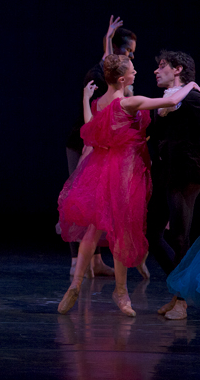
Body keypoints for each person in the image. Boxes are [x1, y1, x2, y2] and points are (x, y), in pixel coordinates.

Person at [58, 54, 200, 317]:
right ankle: (122, 292)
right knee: (123, 230)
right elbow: (168, 103)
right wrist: (190, 86)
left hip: (109, 168)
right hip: (125, 170)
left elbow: (90, 126)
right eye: (133, 70)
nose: (142, 72)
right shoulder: (130, 102)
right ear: (122, 78)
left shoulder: (101, 102)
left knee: (97, 229)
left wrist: (85, 99)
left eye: (160, 66)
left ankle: (78, 284)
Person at [64, 16, 140, 278]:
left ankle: (94, 262)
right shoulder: (100, 75)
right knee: (80, 201)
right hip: (84, 145)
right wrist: (107, 40)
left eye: (132, 53)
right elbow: (95, 122)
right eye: (127, 51)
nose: (131, 58)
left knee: (99, 207)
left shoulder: (122, 84)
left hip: (102, 149)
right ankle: (77, 262)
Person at [146, 50, 200, 320]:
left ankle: (181, 301)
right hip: (165, 173)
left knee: (180, 235)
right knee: (151, 235)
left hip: (186, 173)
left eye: (163, 66)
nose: (157, 70)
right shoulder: (165, 100)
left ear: (178, 69)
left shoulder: (192, 98)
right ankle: (180, 289)